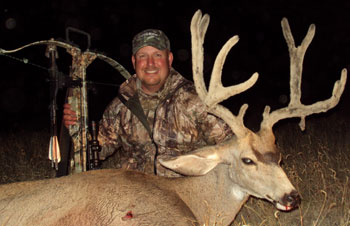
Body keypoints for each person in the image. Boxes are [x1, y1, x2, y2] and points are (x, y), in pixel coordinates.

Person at [63, 29, 233, 177]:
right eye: (143, 56)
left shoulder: (195, 101)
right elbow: (98, 149)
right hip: (135, 194)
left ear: (169, 59)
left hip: (184, 196)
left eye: (157, 55)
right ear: (134, 62)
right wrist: (76, 127)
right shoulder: (121, 105)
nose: (150, 63)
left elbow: (231, 146)